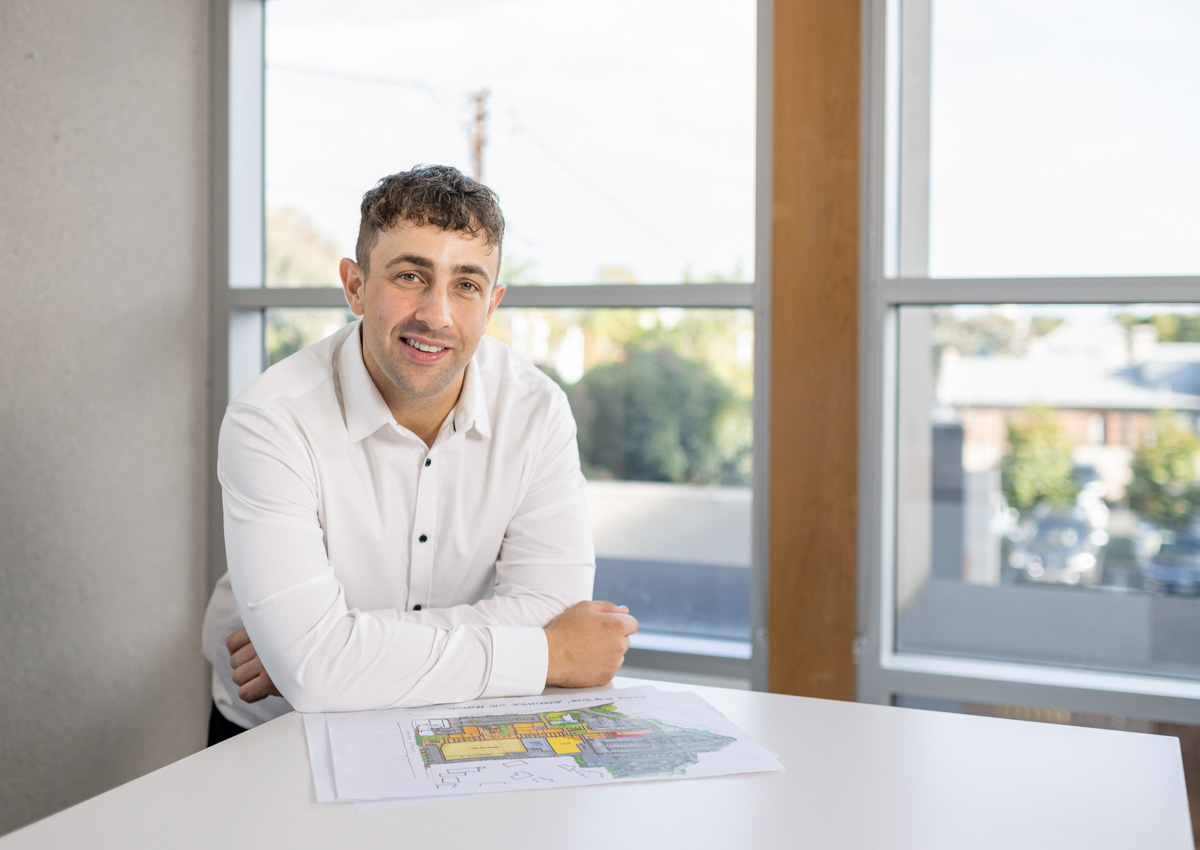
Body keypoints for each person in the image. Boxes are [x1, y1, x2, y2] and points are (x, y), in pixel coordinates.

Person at [201, 165, 638, 744]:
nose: (436, 315)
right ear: (355, 286)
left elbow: (550, 607)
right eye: (410, 276)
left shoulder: (536, 410)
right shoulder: (271, 419)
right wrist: (550, 654)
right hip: (276, 730)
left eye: (466, 284)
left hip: (446, 727)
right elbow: (314, 672)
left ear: (492, 302)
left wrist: (332, 651)